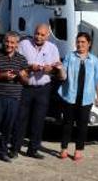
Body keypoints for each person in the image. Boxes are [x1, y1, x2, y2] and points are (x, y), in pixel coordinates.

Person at [13, 23, 62, 159]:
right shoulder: (24, 44)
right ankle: (15, 148)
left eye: (42, 34)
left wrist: (50, 69)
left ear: (47, 36)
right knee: (21, 118)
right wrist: (29, 67)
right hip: (26, 87)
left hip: (43, 88)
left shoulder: (53, 48)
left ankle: (33, 149)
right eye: (37, 33)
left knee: (39, 119)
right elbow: (16, 62)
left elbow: (56, 66)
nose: (38, 37)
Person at [57, 32, 98, 162]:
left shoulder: (94, 60)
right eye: (78, 42)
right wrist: (60, 69)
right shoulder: (69, 57)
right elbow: (63, 76)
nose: (80, 44)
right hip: (70, 96)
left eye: (83, 42)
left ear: (89, 44)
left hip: (86, 98)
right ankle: (64, 148)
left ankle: (79, 150)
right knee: (67, 124)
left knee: (82, 125)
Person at [0, 31, 29, 163]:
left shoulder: (22, 59)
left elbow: (27, 81)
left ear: (17, 44)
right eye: (7, 42)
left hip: (14, 97)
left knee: (8, 126)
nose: (9, 45)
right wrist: (2, 76)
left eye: (12, 42)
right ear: (4, 42)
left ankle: (3, 151)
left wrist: (22, 76)